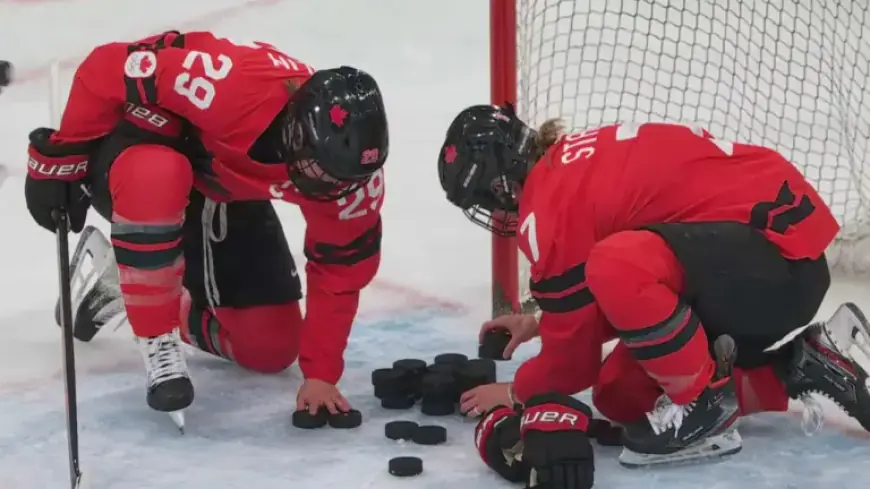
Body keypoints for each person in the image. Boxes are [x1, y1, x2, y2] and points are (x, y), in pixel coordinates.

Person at [437, 105, 870, 465]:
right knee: (620, 397)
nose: (492, 212)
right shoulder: (565, 162)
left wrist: (513, 392)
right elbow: (633, 287)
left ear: (499, 183)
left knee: (616, 265)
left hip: (774, 263)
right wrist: (542, 320)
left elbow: (572, 365)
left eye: (484, 199)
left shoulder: (545, 209)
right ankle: (803, 367)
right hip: (761, 258)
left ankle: (701, 404)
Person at [24, 31, 388, 422]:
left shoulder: (352, 179)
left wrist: (321, 374)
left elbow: (340, 272)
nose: (332, 189)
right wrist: (63, 156)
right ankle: (157, 339)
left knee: (269, 346)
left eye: (344, 179)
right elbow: (105, 67)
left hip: (221, 183)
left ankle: (121, 285)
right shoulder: (227, 85)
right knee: (158, 174)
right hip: (136, 154)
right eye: (321, 170)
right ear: (296, 133)